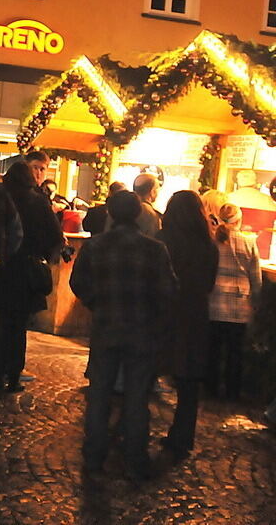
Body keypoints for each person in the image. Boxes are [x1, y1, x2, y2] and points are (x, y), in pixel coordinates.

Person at [70, 191, 177, 481]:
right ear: (138, 214)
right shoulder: (155, 249)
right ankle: (135, 459)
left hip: (106, 328)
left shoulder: (95, 246)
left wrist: (98, 302)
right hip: (141, 331)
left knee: (100, 395)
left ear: (111, 214)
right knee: (136, 398)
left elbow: (77, 282)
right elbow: (168, 291)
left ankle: (94, 457)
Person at [0, 162, 63, 392]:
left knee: (3, 323)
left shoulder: (1, 197)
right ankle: (13, 375)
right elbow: (54, 235)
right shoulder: (37, 201)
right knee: (18, 327)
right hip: (26, 270)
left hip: (3, 268)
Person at [157, 191, 219, 464]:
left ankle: (132, 430)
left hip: (165, 312)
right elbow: (208, 284)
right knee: (189, 382)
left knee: (147, 371)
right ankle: (183, 437)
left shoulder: (163, 242)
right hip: (194, 314)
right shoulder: (209, 245)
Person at [206, 203, 262, 399]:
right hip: (239, 305)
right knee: (235, 352)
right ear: (239, 220)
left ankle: (210, 388)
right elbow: (256, 278)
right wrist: (256, 302)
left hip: (214, 302)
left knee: (213, 349)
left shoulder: (212, 240)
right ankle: (232, 391)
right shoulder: (249, 242)